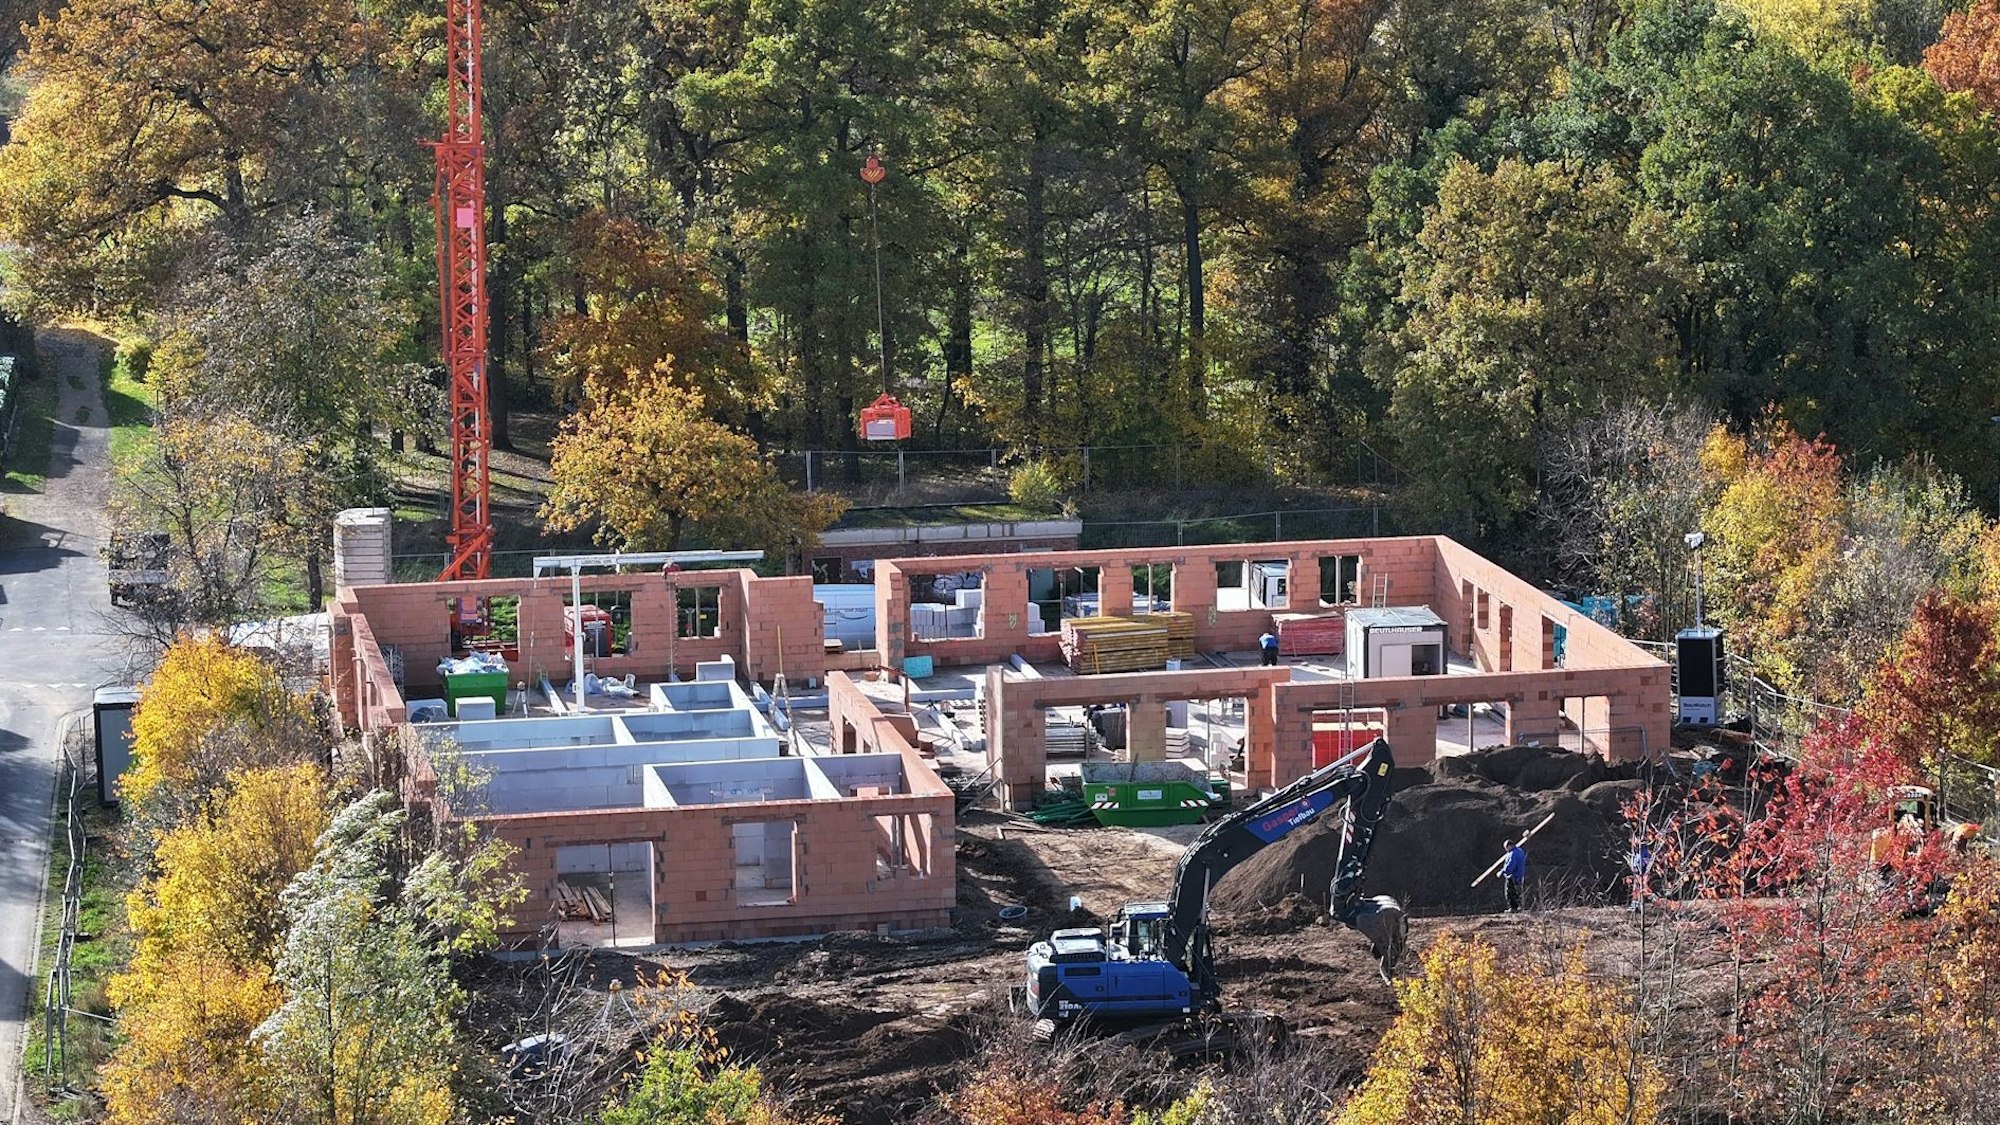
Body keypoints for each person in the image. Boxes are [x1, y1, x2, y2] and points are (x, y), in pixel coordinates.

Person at [1500, 839, 1527, 913]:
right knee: (1518, 891)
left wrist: (1503, 871)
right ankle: (1520, 907)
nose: (1506, 850)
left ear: (1509, 846)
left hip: (1512, 876)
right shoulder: (1520, 851)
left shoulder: (1512, 854)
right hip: (1520, 875)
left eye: (1506, 848)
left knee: (1510, 892)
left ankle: (1513, 908)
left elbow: (1510, 866)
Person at [1627, 842, 1652, 912]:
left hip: (1643, 873)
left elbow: (1646, 863)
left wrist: (1641, 872)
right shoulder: (1636, 852)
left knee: (1642, 888)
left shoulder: (1644, 852)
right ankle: (1635, 905)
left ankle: (1641, 904)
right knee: (1636, 889)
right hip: (1637, 872)